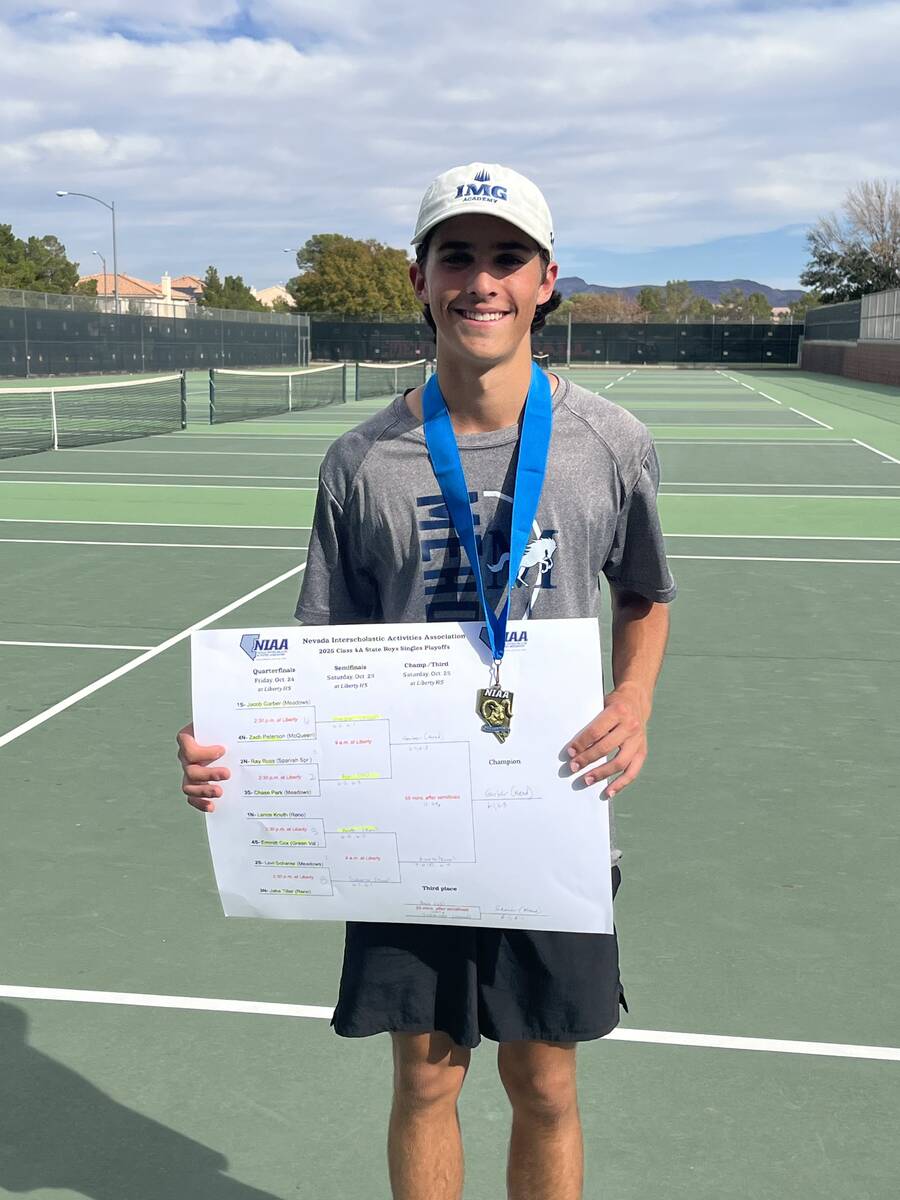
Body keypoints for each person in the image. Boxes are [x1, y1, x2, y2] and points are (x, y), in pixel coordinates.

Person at [177, 162, 675, 1200]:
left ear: (546, 280)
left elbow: (645, 592)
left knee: (544, 1079)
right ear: (419, 277)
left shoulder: (610, 443)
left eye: (506, 258)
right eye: (458, 256)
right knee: (424, 1077)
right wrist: (242, 762)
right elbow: (318, 660)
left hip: (550, 808)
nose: (480, 281)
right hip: (407, 821)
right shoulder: (361, 463)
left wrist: (632, 700)